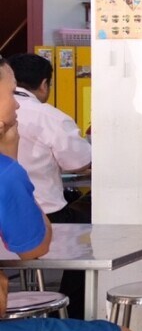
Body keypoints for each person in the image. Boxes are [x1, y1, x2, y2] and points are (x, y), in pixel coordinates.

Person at [0, 55, 141, 331]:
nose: (16, 104)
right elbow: (34, 245)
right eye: (7, 93)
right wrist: (10, 160)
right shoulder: (7, 171)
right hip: (44, 223)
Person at [9, 53, 94, 316]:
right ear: (44, 84)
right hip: (42, 219)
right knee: (91, 231)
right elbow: (79, 161)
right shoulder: (48, 116)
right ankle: (72, 313)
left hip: (13, 220)